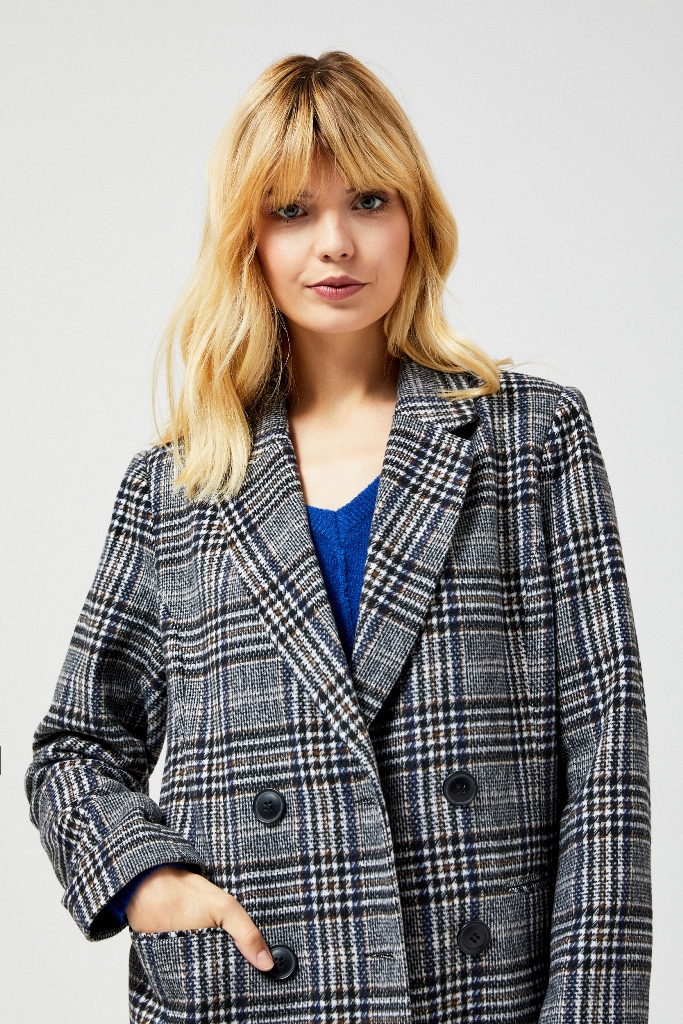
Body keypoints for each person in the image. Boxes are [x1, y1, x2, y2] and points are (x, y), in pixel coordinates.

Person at [25, 51, 652, 1024]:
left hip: (479, 994)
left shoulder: (531, 438)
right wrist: (145, 878)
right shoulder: (178, 484)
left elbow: (605, 760)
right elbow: (75, 746)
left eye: (367, 200)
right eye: (290, 210)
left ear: (413, 218)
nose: (335, 244)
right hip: (255, 993)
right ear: (247, 237)